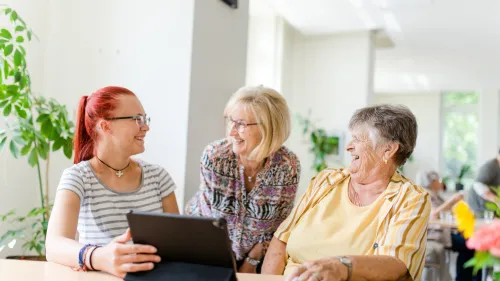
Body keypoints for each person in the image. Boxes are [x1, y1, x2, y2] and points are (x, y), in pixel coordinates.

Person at [262, 104, 430, 281]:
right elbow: (281, 241)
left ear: (388, 150)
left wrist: (342, 266)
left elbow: (396, 265)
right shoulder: (326, 181)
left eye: (357, 139)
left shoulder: (410, 198)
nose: (348, 147)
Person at [46, 86, 179, 278]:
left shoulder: (158, 177)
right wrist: (99, 257)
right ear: (105, 126)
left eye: (145, 118)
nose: (146, 127)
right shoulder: (78, 178)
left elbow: (178, 245)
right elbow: (54, 245)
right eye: (137, 119)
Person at [185, 85, 300, 274]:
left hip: (257, 257)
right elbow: (210, 223)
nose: (232, 132)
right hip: (204, 250)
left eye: (241, 124)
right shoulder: (215, 157)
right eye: (231, 121)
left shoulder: (287, 166)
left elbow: (279, 228)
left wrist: (251, 260)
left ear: (268, 128)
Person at [416, 170, 465, 281]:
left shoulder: (436, 195)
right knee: (468, 246)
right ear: (431, 182)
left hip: (443, 232)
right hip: (434, 235)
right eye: (438, 180)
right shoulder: (425, 194)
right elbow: (434, 215)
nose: (441, 183)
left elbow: (447, 212)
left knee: (469, 243)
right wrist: (452, 200)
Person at [468, 151, 500, 216]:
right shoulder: (491, 166)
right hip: (479, 205)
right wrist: (497, 201)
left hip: (489, 207)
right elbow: (478, 185)